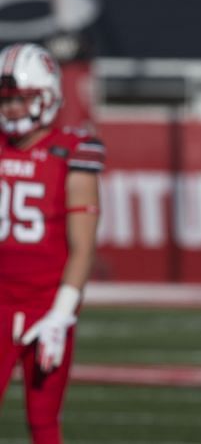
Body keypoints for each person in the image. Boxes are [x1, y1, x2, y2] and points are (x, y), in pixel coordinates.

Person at [0, 43, 104, 443]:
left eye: (20, 99)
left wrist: (62, 314)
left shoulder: (73, 150)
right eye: (6, 100)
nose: (10, 109)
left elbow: (83, 246)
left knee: (43, 421)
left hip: (46, 306)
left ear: (47, 96)